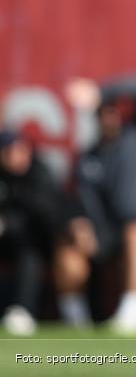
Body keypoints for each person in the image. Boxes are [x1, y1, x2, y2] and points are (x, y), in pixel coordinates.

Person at [56, 77, 136, 336]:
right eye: (103, 112)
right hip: (112, 229)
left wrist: (98, 92)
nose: (109, 118)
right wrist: (83, 226)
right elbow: (84, 201)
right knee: (68, 247)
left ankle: (131, 317)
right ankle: (75, 323)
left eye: (113, 111)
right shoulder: (89, 158)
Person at [0, 130, 70, 336]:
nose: (16, 156)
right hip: (7, 243)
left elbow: (48, 218)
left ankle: (24, 310)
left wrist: (8, 222)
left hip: (39, 242)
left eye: (21, 150)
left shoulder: (40, 174)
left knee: (29, 253)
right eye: (9, 151)